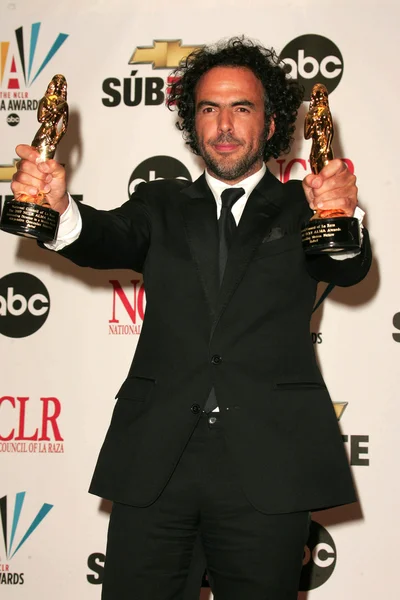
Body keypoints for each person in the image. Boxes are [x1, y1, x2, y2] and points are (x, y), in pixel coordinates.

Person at [11, 37, 371, 600]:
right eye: (209, 108)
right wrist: (58, 209)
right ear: (192, 122)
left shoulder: (307, 206)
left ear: (272, 124)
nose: (224, 125)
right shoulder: (161, 204)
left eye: (242, 108)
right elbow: (105, 234)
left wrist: (341, 218)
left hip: (267, 462)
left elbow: (346, 268)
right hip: (158, 461)